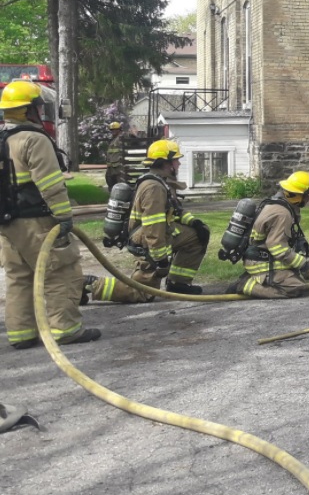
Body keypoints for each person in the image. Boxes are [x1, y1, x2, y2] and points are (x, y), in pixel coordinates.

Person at [1, 80, 101, 348]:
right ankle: (66, 329)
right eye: (37, 105)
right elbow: (49, 184)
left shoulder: (3, 139)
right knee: (61, 272)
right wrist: (64, 217)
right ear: (28, 109)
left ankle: (21, 334)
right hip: (37, 222)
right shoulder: (33, 139)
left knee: (19, 276)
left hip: (7, 225)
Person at [83, 138, 209, 303]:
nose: (178, 164)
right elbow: (153, 224)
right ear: (166, 162)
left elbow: (174, 211)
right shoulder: (154, 188)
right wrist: (160, 258)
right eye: (176, 160)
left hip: (159, 232)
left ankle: (178, 283)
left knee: (196, 235)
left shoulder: (161, 182)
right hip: (147, 240)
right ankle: (89, 284)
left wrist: (194, 223)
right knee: (142, 293)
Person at [227, 171, 309, 299]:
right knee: (295, 288)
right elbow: (277, 247)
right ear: (297, 195)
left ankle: (258, 279)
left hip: (263, 258)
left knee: (297, 277)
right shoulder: (282, 214)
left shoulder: (279, 204)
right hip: (261, 262)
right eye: (308, 196)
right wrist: (303, 264)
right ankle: (244, 284)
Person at [104, 121, 129, 189]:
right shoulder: (113, 139)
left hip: (118, 166)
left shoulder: (120, 138)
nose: (113, 131)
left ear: (119, 130)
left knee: (119, 184)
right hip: (111, 166)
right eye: (112, 130)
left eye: (115, 130)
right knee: (110, 182)